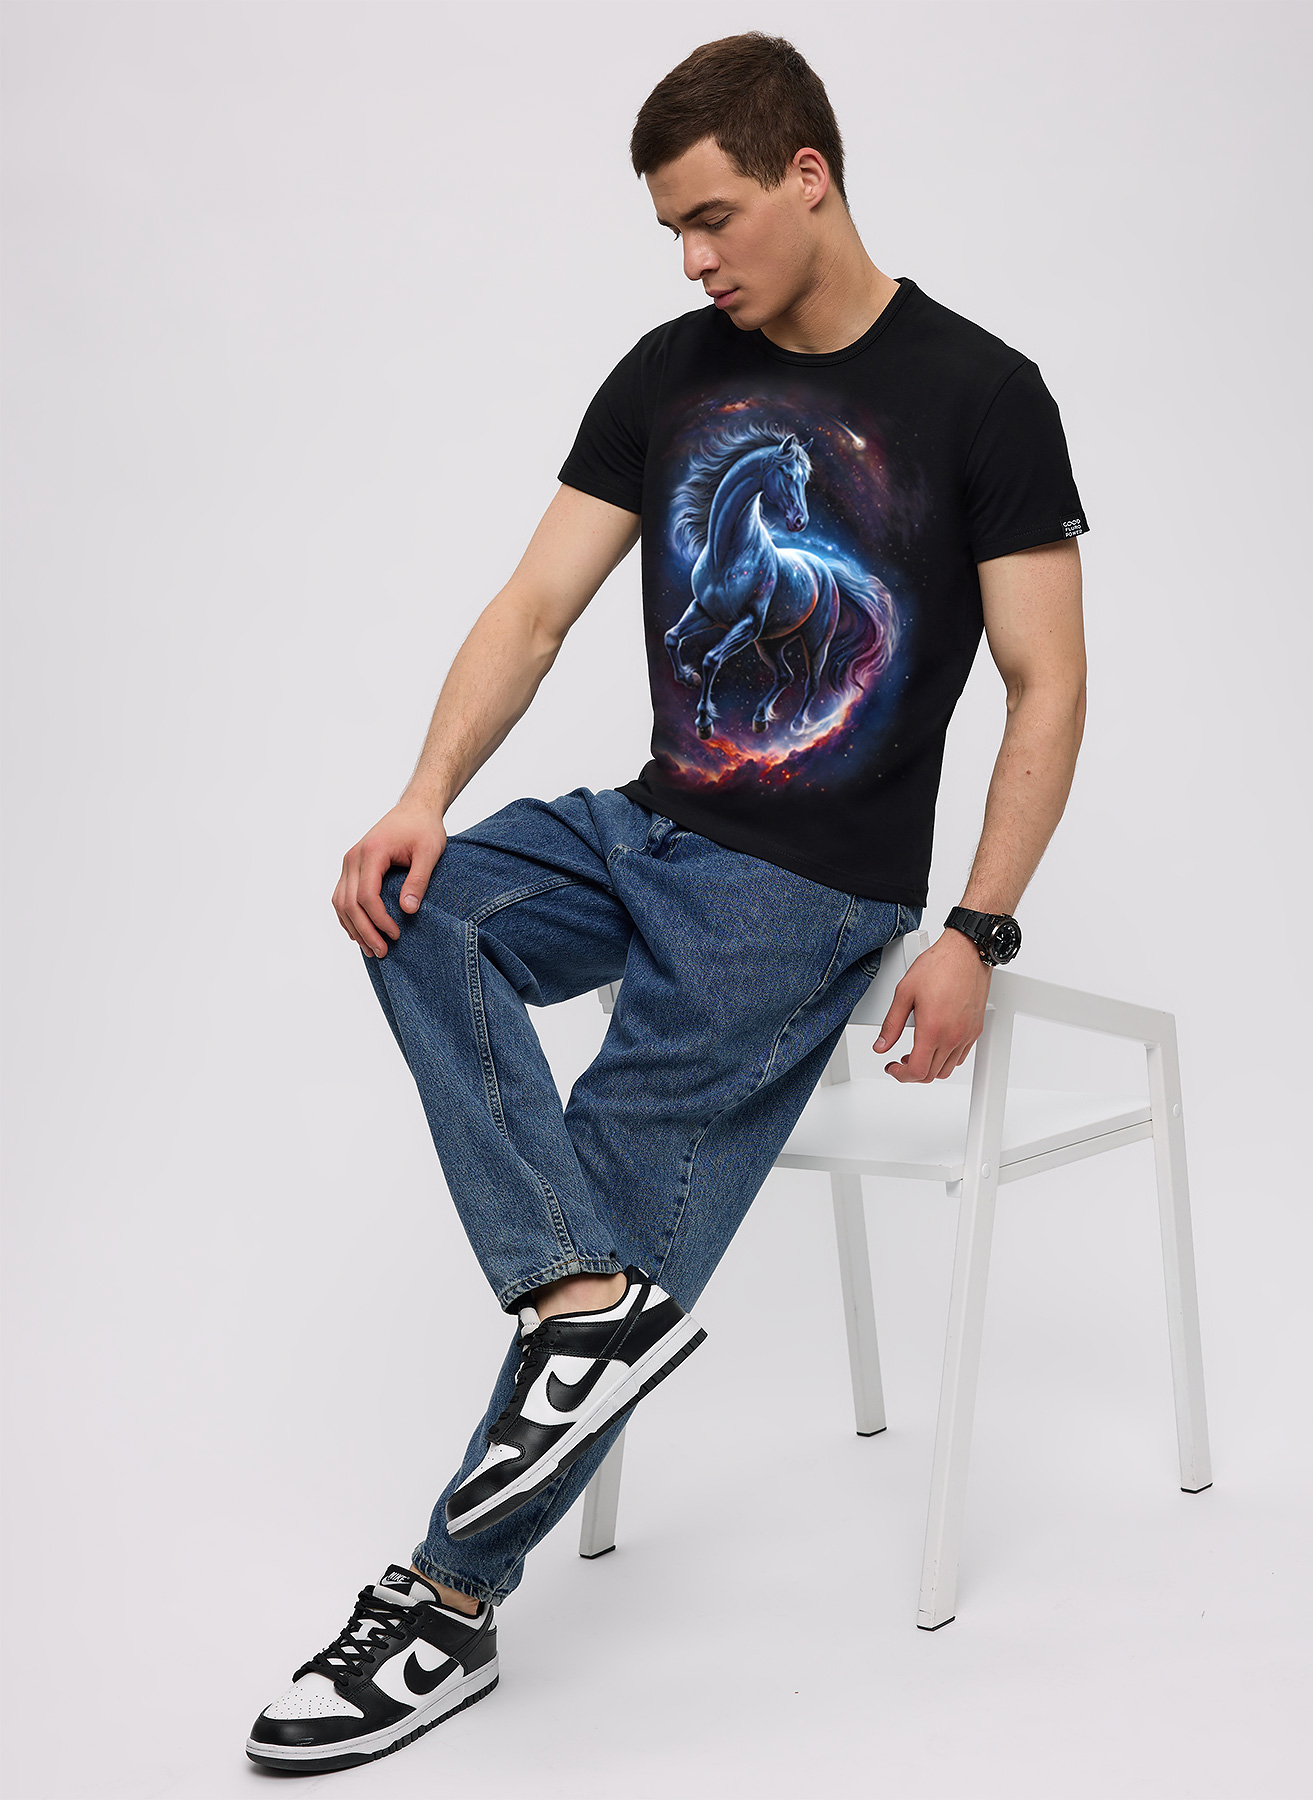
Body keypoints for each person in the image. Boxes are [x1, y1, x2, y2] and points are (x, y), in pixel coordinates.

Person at [245, 29, 1089, 1774]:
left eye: (711, 218)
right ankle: (583, 1307)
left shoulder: (982, 393)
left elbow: (1045, 678)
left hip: (804, 891)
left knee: (623, 1190)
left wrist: (975, 929)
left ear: (808, 176)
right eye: (671, 232)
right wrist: (423, 798)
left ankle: (446, 1602)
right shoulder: (667, 372)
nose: (692, 260)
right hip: (641, 830)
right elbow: (534, 607)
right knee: (422, 906)